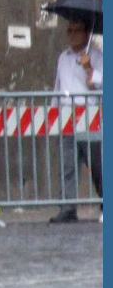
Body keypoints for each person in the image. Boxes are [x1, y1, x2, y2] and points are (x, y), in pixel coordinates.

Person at [49, 18, 103, 223]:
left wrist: (90, 69)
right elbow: (58, 85)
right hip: (65, 117)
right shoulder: (63, 57)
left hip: (89, 117)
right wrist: (53, 112)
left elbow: (101, 84)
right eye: (69, 31)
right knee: (68, 165)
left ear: (87, 33)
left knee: (97, 164)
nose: (72, 35)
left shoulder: (97, 57)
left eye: (76, 31)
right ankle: (67, 209)